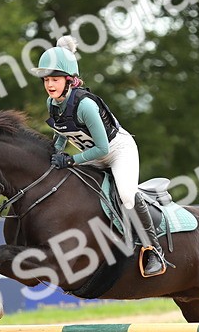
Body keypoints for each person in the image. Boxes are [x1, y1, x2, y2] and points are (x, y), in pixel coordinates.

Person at [30, 35, 166, 277]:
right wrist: (56, 153)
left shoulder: (86, 106)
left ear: (69, 81)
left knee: (126, 195)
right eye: (47, 80)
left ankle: (153, 249)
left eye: (55, 79)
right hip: (91, 155)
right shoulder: (52, 102)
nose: (50, 85)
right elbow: (62, 132)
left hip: (117, 151)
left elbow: (103, 149)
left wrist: (70, 160)